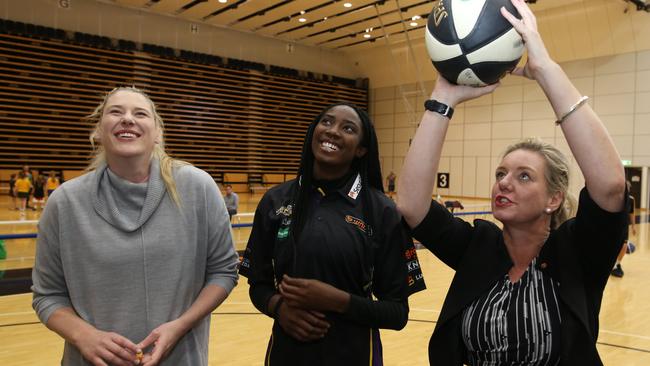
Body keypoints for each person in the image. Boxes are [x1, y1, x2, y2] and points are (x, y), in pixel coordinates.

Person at [397, 1, 628, 365]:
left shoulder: (578, 253)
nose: (504, 183)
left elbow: (612, 187)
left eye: (524, 176)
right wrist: (442, 98)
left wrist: (546, 70)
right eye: (501, 173)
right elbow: (412, 207)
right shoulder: (479, 248)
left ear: (554, 198)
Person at [31, 86, 240, 366]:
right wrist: (84, 336)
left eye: (140, 113)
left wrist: (180, 325)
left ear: (157, 134)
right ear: (98, 132)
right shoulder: (64, 202)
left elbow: (223, 271)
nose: (127, 119)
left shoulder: (197, 187)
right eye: (115, 112)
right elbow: (48, 294)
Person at [240, 102, 425, 365]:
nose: (333, 131)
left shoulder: (381, 212)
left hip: (356, 356)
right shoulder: (275, 201)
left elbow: (397, 314)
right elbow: (258, 285)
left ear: (361, 149)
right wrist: (278, 308)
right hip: (285, 355)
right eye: (326, 122)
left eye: (347, 128)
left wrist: (339, 301)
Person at [611, 181, 636, 277]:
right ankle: (612, 264)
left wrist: (633, 226)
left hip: (625, 226)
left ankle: (616, 264)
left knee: (624, 246)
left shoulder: (631, 199)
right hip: (615, 226)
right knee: (615, 246)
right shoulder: (617, 199)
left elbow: (632, 213)